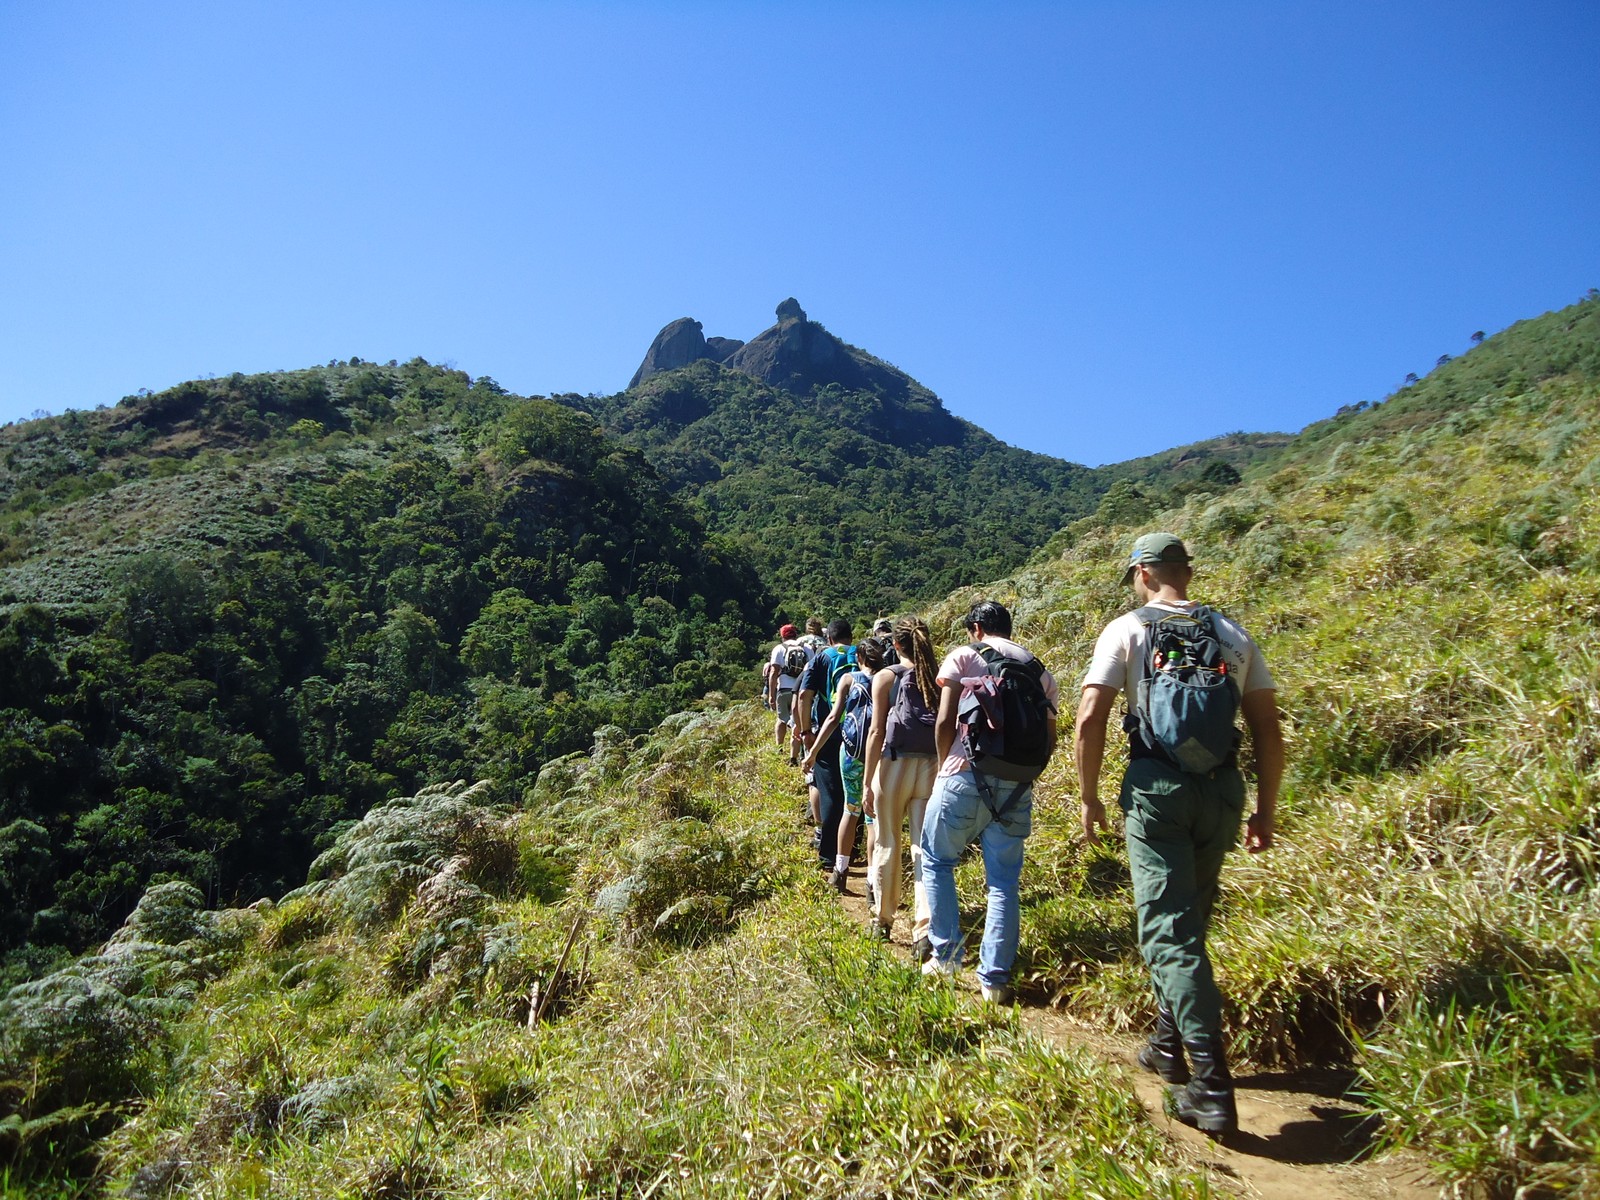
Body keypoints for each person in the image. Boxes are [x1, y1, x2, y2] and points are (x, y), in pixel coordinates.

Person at [1075, 532, 1284, 1136]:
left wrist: (1089, 797)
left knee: (1168, 932)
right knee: (1189, 921)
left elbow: (1092, 716)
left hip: (1156, 789)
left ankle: (1212, 1084)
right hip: (1222, 791)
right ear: (1184, 573)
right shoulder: (1233, 634)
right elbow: (1268, 729)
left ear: (1142, 574)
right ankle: (1167, 1044)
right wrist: (1265, 809)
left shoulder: (1127, 629)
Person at [920, 601, 1058, 1004]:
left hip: (964, 773)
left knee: (937, 859)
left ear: (976, 628)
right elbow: (1050, 739)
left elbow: (945, 721)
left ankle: (945, 956)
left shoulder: (964, 656)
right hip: (1018, 784)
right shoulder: (1037, 669)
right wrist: (1023, 777)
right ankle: (994, 981)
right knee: (1003, 881)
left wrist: (946, 766)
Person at [861, 616, 940, 950]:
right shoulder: (938, 676)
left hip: (894, 765)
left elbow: (877, 731)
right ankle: (925, 928)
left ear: (895, 644)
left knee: (888, 841)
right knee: (923, 847)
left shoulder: (886, 677)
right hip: (931, 764)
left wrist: (867, 782)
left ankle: (883, 919)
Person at [796, 619, 855, 872]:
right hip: (860, 731)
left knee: (830, 791)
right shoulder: (862, 653)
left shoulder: (820, 659)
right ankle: (854, 847)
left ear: (829, 638)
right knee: (856, 789)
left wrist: (805, 731)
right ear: (851, 637)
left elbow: (804, 695)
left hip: (828, 731)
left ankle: (829, 855)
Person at [765, 623, 807, 762]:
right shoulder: (805, 647)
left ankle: (779, 749)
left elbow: (773, 672)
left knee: (781, 720)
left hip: (783, 689)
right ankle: (799, 753)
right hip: (801, 689)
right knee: (801, 721)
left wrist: (771, 694)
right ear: (796, 634)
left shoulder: (779, 649)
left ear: (782, 636)